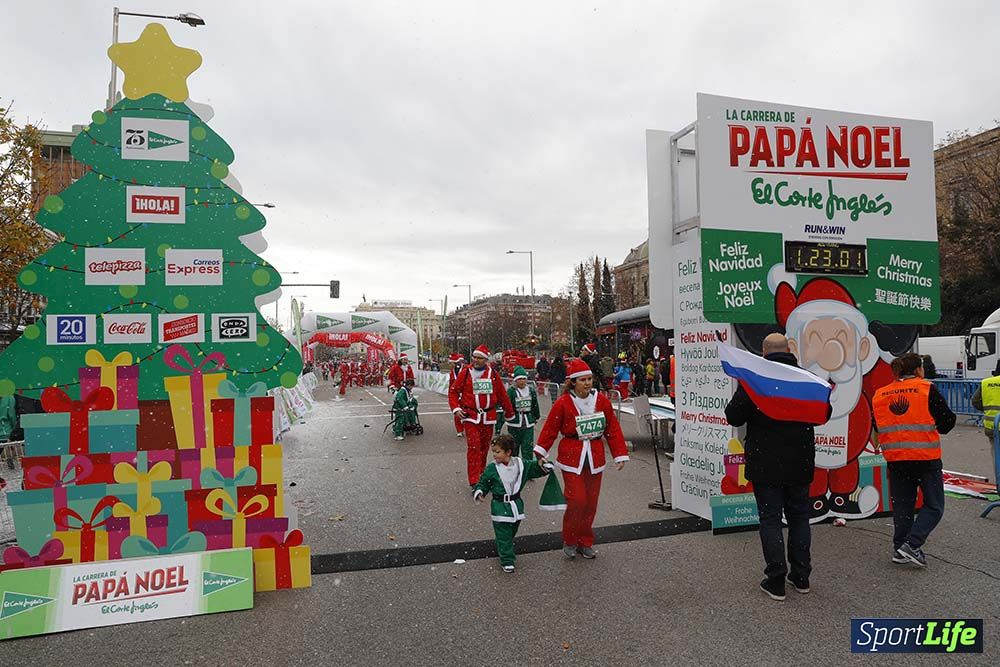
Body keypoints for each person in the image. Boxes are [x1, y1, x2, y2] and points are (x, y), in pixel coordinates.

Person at [724, 333, 823, 601]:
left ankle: (776, 579)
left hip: (765, 461)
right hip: (800, 461)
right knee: (799, 518)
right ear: (789, 349)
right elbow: (822, 414)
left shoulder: (756, 379)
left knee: (770, 519)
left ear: (764, 351)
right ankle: (801, 576)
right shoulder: (805, 378)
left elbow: (733, 416)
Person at [535, 358, 629, 559]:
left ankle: (585, 542)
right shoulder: (563, 403)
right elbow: (551, 428)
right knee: (577, 500)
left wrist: (619, 454)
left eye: (589, 379)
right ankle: (570, 539)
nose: (587, 383)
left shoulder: (601, 401)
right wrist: (541, 452)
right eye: (582, 380)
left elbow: (612, 428)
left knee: (591, 503)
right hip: (572, 456)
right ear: (573, 382)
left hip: (594, 456)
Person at [873, 352, 956, 567]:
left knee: (903, 507)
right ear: (919, 369)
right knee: (935, 506)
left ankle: (900, 548)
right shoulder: (925, 389)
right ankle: (912, 544)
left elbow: (877, 426)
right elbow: (947, 421)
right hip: (925, 458)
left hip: (896, 460)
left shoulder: (881, 394)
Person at [473, 434, 553, 572]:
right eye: (493, 452)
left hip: (516, 505)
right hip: (499, 506)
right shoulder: (492, 468)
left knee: (511, 531)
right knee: (503, 533)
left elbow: (534, 468)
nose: (494, 455)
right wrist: (480, 491)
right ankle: (507, 560)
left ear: (508, 452)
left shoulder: (521, 464)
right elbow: (484, 482)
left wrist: (543, 465)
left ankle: (503, 546)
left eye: (497, 452)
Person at [450, 344, 515, 487]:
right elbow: (453, 391)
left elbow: (502, 395)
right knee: (474, 447)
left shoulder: (493, 374)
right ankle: (474, 481)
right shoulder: (465, 373)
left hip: (488, 417)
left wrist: (509, 413)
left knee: (484, 448)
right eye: (474, 357)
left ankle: (482, 475)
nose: (475, 360)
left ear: (485, 360)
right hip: (470, 416)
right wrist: (456, 408)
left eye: (479, 358)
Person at [499, 366, 541, 459]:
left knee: (527, 448)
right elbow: (507, 406)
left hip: (528, 423)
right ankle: (514, 465)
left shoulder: (531, 390)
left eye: (524, 379)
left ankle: (527, 465)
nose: (522, 381)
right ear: (515, 380)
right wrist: (507, 418)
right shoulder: (511, 391)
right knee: (514, 448)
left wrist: (536, 416)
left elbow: (535, 404)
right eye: (520, 379)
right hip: (514, 423)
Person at [971, 360, 1000, 442]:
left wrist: (988, 409)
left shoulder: (986, 382)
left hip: (991, 425)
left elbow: (975, 401)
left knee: (996, 446)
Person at [448, 352, 467, 437]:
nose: (450, 365)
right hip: (456, 394)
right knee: (457, 412)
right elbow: (451, 384)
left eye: (451, 363)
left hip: (465, 394)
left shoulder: (465, 369)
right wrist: (450, 393)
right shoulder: (452, 372)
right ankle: (459, 430)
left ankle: (467, 427)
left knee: (467, 411)